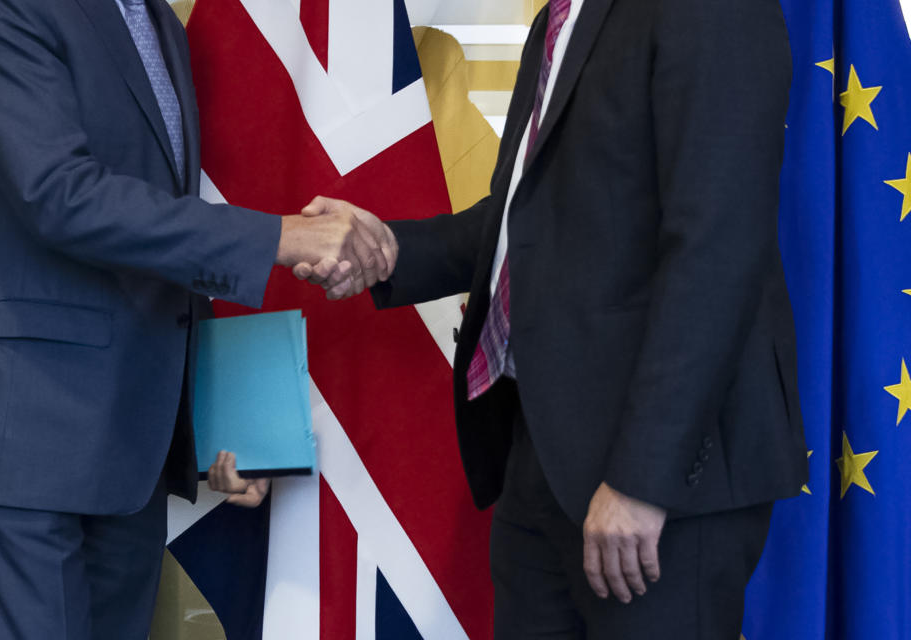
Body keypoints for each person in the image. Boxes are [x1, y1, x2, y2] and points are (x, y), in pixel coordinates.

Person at [289, 0, 810, 637]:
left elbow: (716, 252)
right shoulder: (562, 16)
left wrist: (644, 480)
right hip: (544, 452)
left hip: (659, 483)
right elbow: (531, 214)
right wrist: (388, 252)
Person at [0, 0, 395, 638]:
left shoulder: (154, 20)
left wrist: (222, 414)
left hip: (129, 456)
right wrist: (283, 237)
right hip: (25, 446)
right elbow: (60, 196)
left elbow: (157, 236)